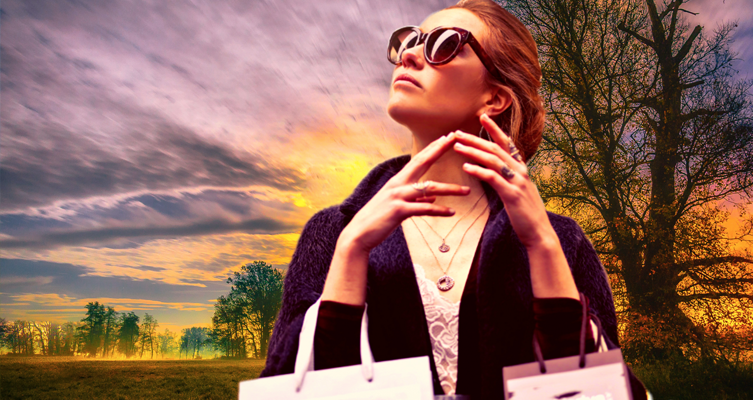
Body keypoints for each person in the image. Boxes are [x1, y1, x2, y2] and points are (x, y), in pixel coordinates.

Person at [261, 1, 646, 399]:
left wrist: (543, 247)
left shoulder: (562, 239)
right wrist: (351, 252)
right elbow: (288, 386)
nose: (408, 54)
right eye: (409, 41)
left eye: (443, 44)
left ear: (495, 98)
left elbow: (604, 392)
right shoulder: (333, 231)